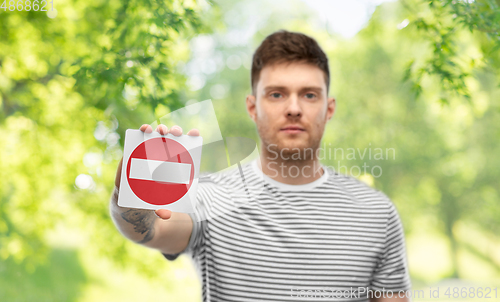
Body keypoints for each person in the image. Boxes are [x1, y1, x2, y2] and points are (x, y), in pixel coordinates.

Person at [110, 30, 412, 301]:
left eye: (309, 95)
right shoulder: (209, 197)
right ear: (252, 107)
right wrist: (132, 190)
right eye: (277, 94)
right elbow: (150, 229)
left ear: (328, 108)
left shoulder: (377, 212)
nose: (293, 109)